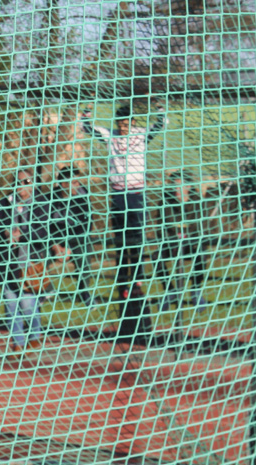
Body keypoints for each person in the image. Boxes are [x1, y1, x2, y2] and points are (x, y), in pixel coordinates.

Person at [80, 101, 165, 343]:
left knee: (136, 238)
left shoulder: (140, 135)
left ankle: (136, 277)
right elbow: (87, 128)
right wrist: (86, 111)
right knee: (121, 240)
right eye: (120, 123)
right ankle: (123, 277)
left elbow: (159, 125)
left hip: (137, 194)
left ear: (134, 123)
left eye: (127, 123)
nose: (123, 127)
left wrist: (159, 107)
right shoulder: (111, 136)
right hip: (118, 195)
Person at [0, 169, 53, 352]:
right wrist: (7, 233)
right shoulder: (4, 204)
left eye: (27, 182)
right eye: (18, 183)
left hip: (30, 262)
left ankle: (35, 335)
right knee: (10, 303)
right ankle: (17, 342)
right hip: (7, 263)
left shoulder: (41, 204)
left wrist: (22, 234)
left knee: (27, 304)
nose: (22, 187)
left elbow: (43, 232)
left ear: (33, 184)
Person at [152, 170, 210, 311]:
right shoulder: (165, 201)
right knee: (156, 256)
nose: (178, 189)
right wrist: (172, 239)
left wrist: (189, 237)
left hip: (191, 245)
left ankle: (195, 290)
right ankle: (170, 290)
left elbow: (200, 227)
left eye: (181, 186)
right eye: (175, 186)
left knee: (202, 255)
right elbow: (161, 225)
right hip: (172, 244)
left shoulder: (197, 202)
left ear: (189, 186)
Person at [42, 166, 98, 307]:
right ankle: (45, 289)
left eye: (79, 182)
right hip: (55, 238)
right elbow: (44, 225)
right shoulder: (49, 198)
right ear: (64, 184)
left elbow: (86, 225)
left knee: (85, 251)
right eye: (75, 182)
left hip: (76, 237)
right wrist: (55, 245)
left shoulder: (83, 197)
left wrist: (69, 246)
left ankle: (84, 291)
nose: (78, 185)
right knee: (37, 252)